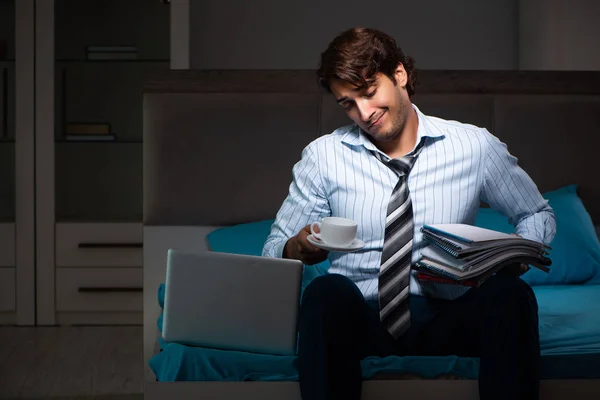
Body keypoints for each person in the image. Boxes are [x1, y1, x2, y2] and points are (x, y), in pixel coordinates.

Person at [262, 27, 556, 400]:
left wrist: (514, 255)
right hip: (361, 320)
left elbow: (537, 213)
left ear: (399, 75)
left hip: (451, 314)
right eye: (348, 103)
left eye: (369, 92)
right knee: (323, 293)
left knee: (511, 295)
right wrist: (295, 248)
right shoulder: (323, 156)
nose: (364, 113)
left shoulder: (475, 146)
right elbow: (273, 250)